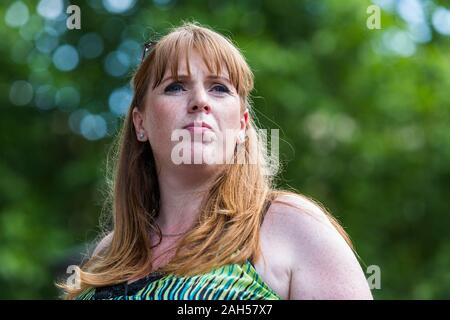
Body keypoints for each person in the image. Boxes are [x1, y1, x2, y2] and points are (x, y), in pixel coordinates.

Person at [60, 21, 373, 300]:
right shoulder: (109, 254)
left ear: (240, 124)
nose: (200, 101)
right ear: (140, 124)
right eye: (176, 86)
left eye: (219, 88)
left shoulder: (291, 226)